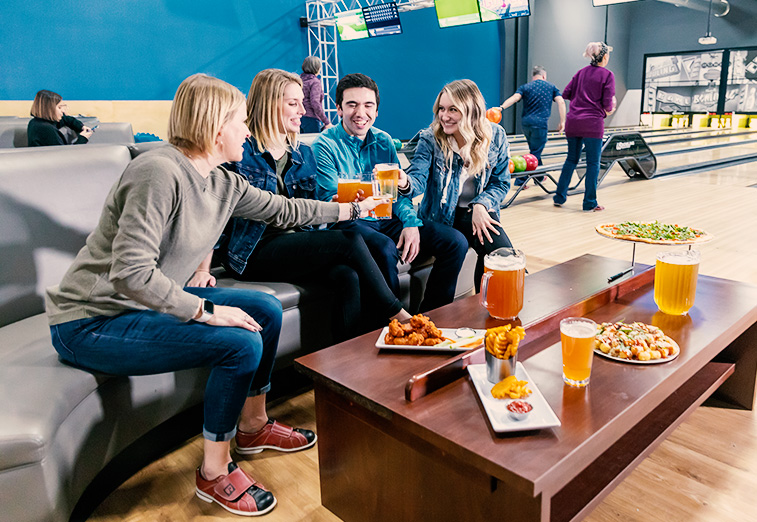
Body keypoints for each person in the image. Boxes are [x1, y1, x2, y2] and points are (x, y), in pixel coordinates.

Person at [45, 73, 387, 517]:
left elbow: (285, 209)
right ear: (214, 124)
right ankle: (213, 472)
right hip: (92, 319)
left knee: (264, 308)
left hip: (140, 304)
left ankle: (253, 425)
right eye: (241, 121)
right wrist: (206, 311)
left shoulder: (221, 182)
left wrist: (352, 208)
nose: (249, 130)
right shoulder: (157, 171)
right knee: (239, 341)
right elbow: (130, 273)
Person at [205, 68, 410, 340]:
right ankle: (399, 316)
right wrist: (201, 269)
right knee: (348, 241)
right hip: (252, 251)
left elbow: (311, 209)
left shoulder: (302, 153)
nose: (303, 110)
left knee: (346, 275)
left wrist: (336, 204)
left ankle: (344, 362)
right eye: (293, 103)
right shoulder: (240, 152)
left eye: (302, 102)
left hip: (296, 243)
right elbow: (211, 214)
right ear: (269, 104)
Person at [312, 73, 468, 312]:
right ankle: (393, 325)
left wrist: (410, 223)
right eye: (351, 104)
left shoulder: (384, 141)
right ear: (339, 109)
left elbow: (396, 193)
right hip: (351, 223)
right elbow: (330, 195)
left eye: (368, 105)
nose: (360, 112)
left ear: (376, 111)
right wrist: (369, 196)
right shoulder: (324, 145)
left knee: (455, 242)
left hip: (386, 218)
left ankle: (434, 315)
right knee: (385, 247)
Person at [403, 79, 513, 292]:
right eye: (441, 109)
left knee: (502, 256)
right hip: (440, 217)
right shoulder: (431, 138)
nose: (444, 116)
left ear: (471, 110)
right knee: (456, 247)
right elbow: (417, 180)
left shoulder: (495, 135)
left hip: (478, 213)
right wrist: (404, 181)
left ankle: (485, 309)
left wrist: (481, 204)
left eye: (453, 109)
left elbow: (501, 183)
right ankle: (437, 316)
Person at [553, 42, 616, 212]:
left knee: (571, 159)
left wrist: (581, 97)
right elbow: (607, 104)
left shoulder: (580, 73)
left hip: (573, 122)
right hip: (593, 124)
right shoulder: (607, 75)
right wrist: (610, 108)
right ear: (604, 57)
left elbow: (565, 93)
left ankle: (559, 196)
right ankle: (589, 202)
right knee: (593, 164)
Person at [499, 66, 566, 188]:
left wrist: (501, 107)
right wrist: (563, 121)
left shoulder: (525, 87)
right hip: (540, 124)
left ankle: (539, 176)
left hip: (526, 124)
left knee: (535, 151)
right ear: (544, 76)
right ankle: (520, 180)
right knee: (535, 153)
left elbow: (515, 98)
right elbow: (561, 102)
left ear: (533, 76)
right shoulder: (551, 87)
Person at [27, 90, 93, 146]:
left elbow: (65, 119)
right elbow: (63, 155)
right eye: (59, 107)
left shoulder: (36, 122)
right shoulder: (46, 129)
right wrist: (82, 139)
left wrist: (81, 126)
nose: (63, 111)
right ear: (49, 109)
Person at [300, 56, 332, 133]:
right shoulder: (315, 82)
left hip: (299, 118)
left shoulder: (299, 80)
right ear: (316, 68)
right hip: (311, 119)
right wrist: (326, 122)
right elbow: (315, 103)